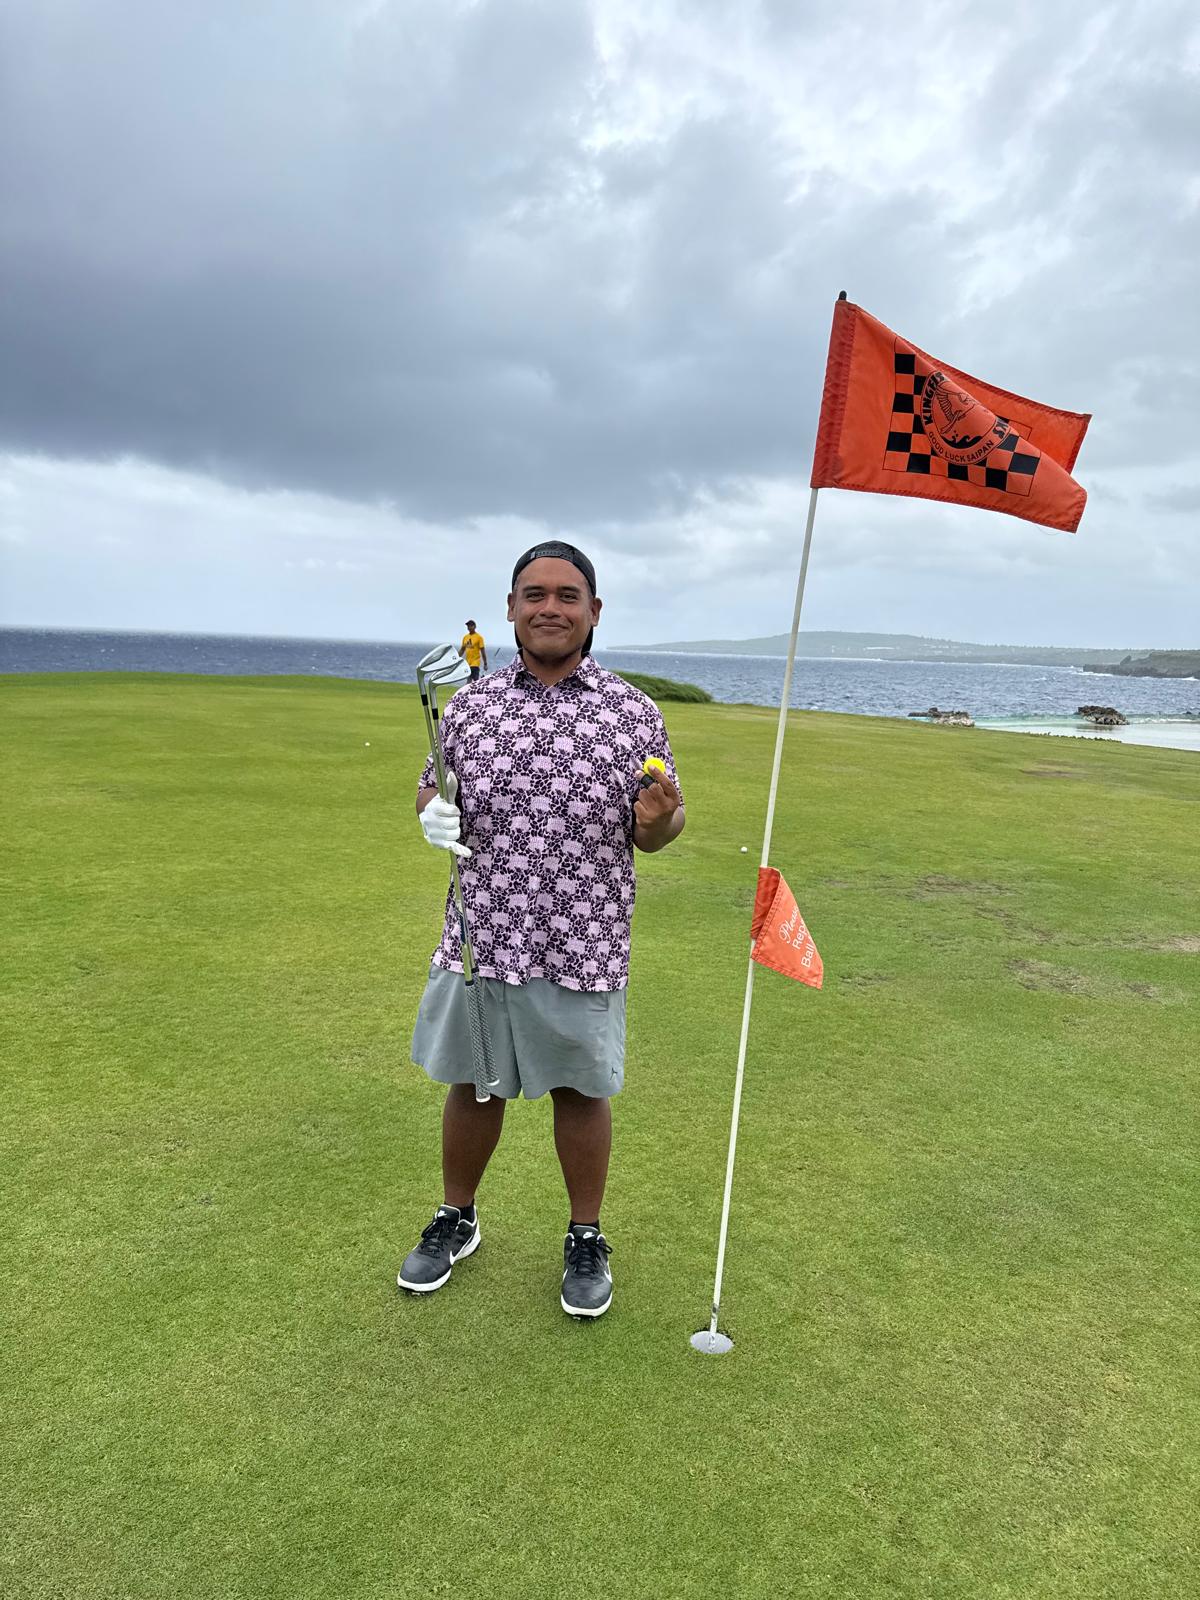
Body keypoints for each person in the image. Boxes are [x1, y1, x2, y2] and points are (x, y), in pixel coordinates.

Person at [398, 541, 685, 1318]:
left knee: (581, 1092)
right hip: (483, 932)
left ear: (594, 611)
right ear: (511, 609)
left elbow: (659, 827)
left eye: (566, 595)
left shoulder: (633, 711)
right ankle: (457, 1217)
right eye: (534, 594)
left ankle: (585, 1235)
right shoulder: (471, 706)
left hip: (583, 938)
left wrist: (658, 821)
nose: (549, 607)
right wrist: (431, 816)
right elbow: (432, 791)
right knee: (473, 1082)